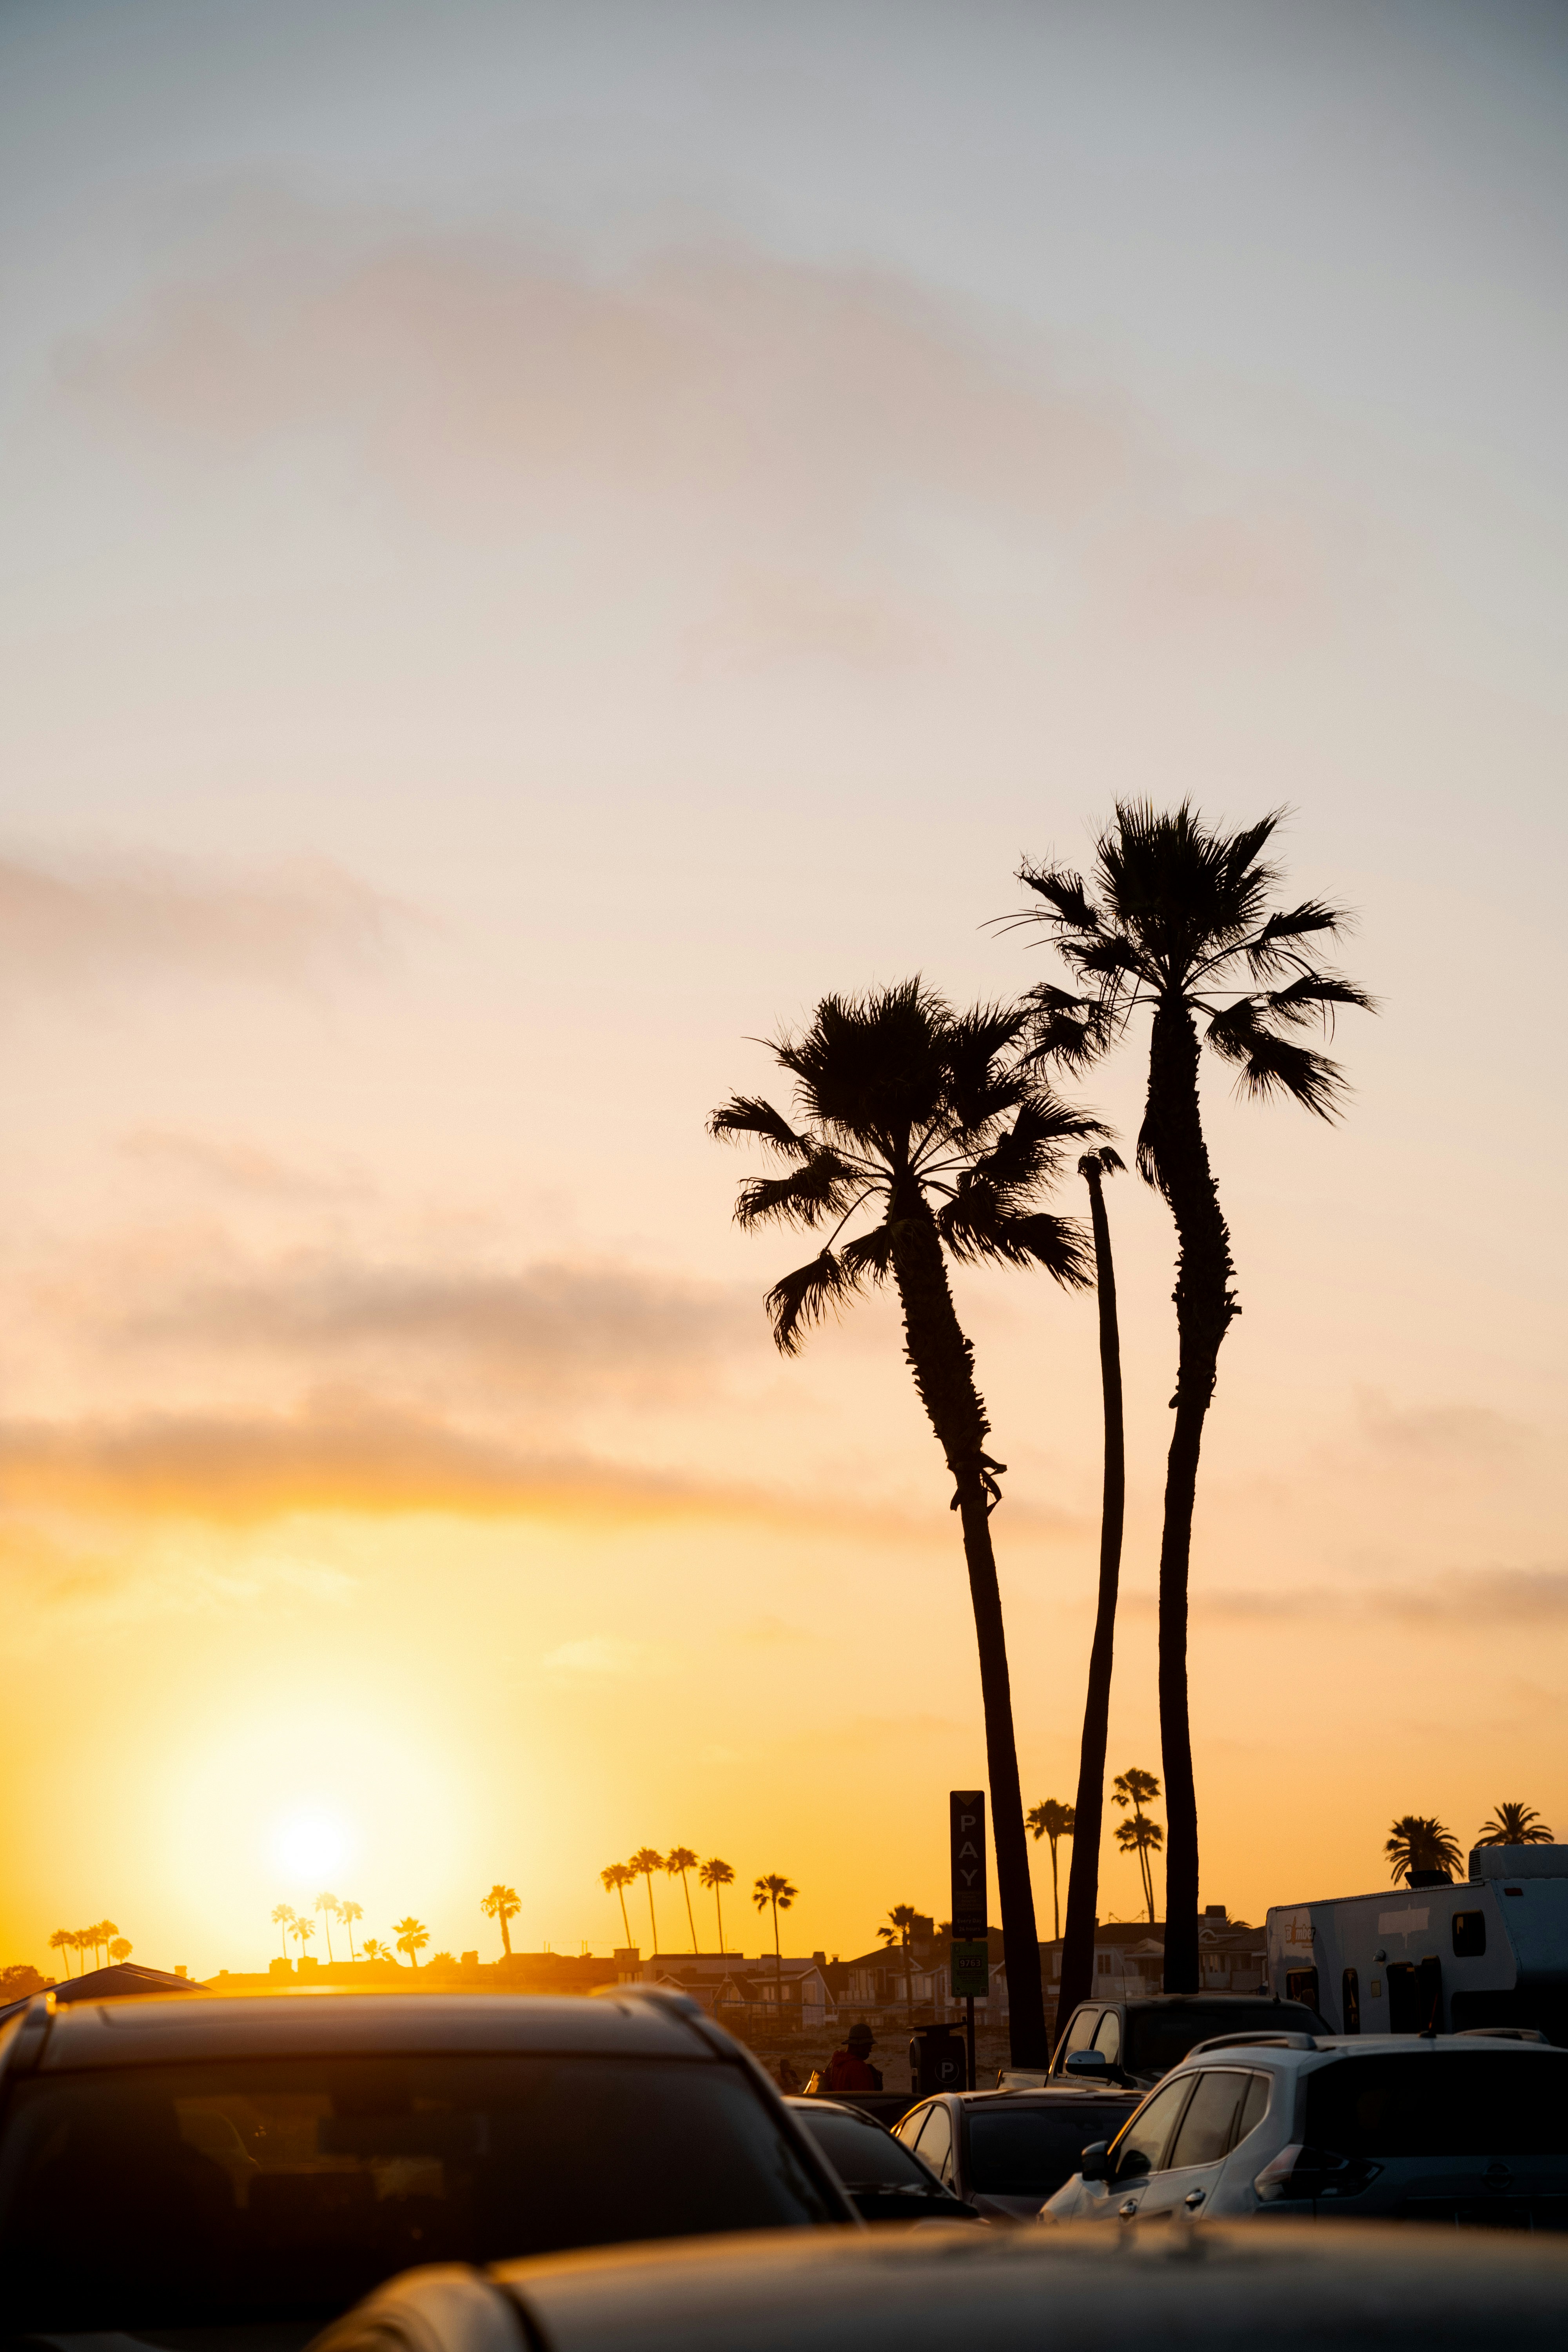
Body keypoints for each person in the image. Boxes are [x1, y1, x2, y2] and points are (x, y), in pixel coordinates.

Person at [825, 2022, 882, 2093]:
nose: (870, 2051)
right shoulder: (857, 2067)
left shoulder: (837, 2063)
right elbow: (865, 2097)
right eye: (869, 2046)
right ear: (859, 2045)